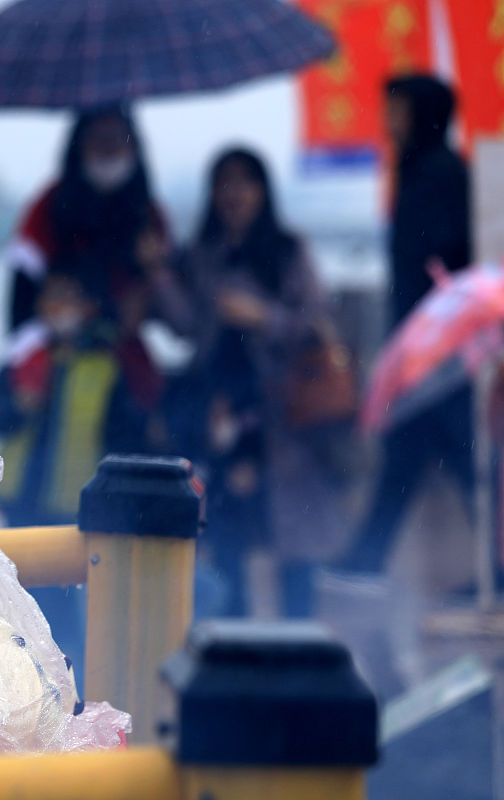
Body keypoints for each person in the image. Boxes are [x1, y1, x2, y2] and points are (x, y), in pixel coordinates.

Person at [151, 147, 346, 618]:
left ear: (263, 191)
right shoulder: (201, 255)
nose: (234, 193)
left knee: (293, 541)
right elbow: (185, 327)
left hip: (280, 417)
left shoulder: (286, 250)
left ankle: (300, 649)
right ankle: (233, 647)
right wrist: (157, 271)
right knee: (225, 535)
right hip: (218, 411)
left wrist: (261, 315)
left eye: (245, 182)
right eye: (225, 183)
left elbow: (315, 322)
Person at [0, 270, 154, 693]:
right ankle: (28, 690)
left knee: (68, 614)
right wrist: (17, 406)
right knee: (20, 603)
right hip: (19, 502)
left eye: (71, 299)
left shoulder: (108, 365)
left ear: (90, 308)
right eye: (54, 299)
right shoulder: (25, 358)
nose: (62, 310)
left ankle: (75, 694)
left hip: (74, 507)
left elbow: (129, 438)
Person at [337, 75, 473, 575]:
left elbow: (439, 261)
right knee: (421, 457)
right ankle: (364, 560)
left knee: (462, 460)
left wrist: (417, 341)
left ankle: (364, 561)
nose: (387, 122)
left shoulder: (440, 173)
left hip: (443, 348)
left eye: (396, 110)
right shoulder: (418, 170)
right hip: (424, 345)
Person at [5, 106, 169, 412]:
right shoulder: (47, 209)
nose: (109, 150)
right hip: (57, 365)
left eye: (117, 140)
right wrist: (31, 367)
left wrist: (152, 279)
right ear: (79, 146)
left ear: (134, 146)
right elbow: (19, 304)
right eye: (99, 140)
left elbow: (171, 310)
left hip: (127, 368)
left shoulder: (149, 214)